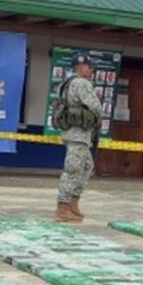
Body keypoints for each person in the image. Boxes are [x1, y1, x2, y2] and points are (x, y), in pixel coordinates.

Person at [55, 54, 103, 223]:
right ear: (81, 67)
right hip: (78, 134)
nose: (92, 71)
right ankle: (63, 207)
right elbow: (95, 106)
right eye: (90, 67)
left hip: (78, 134)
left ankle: (73, 203)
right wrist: (99, 114)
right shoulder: (81, 83)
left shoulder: (67, 83)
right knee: (73, 169)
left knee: (87, 166)